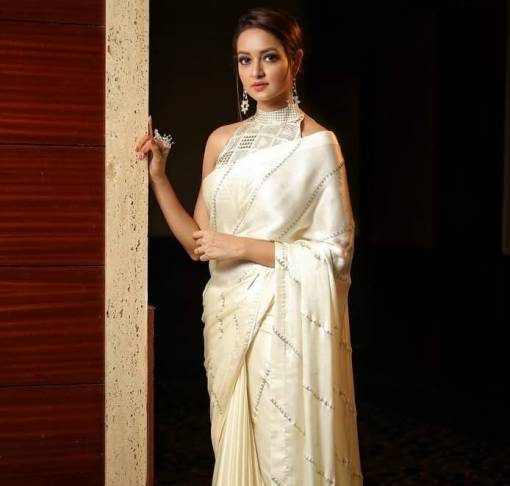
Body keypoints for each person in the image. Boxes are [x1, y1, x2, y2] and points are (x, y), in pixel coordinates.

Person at [134, 7, 363, 485]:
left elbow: (335, 254)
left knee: (283, 452)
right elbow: (198, 245)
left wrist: (237, 245)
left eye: (269, 57)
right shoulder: (222, 141)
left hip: (283, 321)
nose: (255, 71)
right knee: (237, 450)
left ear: (295, 61)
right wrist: (159, 178)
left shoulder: (319, 145)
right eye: (244, 59)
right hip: (226, 316)